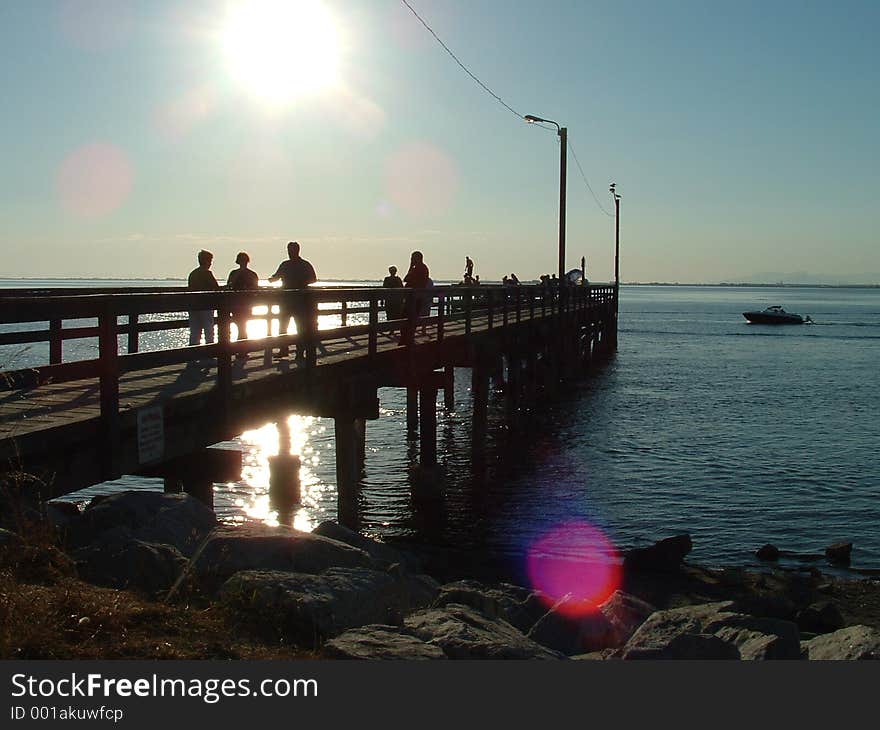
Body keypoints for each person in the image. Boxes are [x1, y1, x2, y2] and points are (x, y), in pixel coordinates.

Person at [268, 241, 317, 361]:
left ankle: (297, 351)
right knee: (287, 326)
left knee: (297, 326)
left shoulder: (296, 265)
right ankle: (286, 350)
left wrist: (273, 279)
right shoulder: (297, 264)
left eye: (291, 250)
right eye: (289, 250)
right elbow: (276, 277)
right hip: (289, 300)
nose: (290, 252)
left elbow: (313, 279)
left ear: (296, 250)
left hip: (296, 300)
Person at [226, 251, 259, 345]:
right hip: (238, 303)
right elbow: (230, 285)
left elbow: (255, 289)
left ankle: (242, 348)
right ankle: (242, 347)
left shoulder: (251, 274)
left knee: (242, 325)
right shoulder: (235, 273)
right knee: (241, 325)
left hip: (244, 303)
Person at [187, 250, 219, 346]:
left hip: (193, 306)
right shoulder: (207, 273)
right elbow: (216, 288)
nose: (210, 263)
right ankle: (209, 354)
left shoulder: (193, 273)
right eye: (210, 261)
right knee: (209, 330)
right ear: (206, 261)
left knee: (195, 332)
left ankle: (193, 355)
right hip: (206, 306)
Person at [402, 250, 429, 345]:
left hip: (414, 298)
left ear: (418, 258)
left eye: (412, 258)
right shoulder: (422, 268)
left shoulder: (419, 268)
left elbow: (406, 279)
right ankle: (408, 339)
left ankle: (407, 340)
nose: (411, 260)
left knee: (408, 319)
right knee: (411, 319)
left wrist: (410, 267)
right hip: (417, 297)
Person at [382, 265, 404, 330]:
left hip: (391, 300)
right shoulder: (398, 279)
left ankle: (391, 329)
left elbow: (383, 289)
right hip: (395, 300)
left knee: (390, 314)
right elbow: (402, 289)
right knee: (394, 314)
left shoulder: (387, 279)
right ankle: (394, 328)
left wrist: (382, 299)